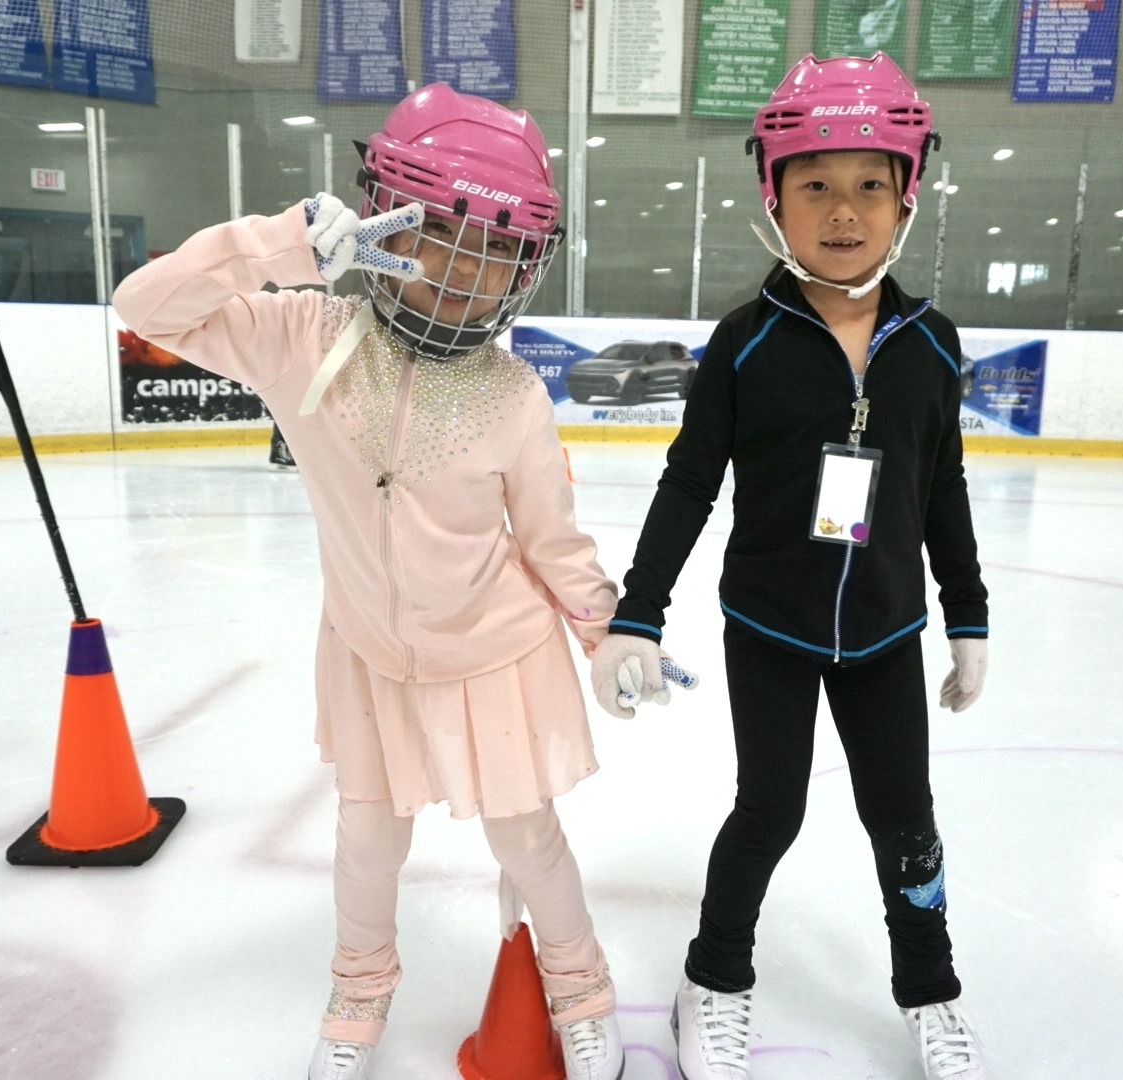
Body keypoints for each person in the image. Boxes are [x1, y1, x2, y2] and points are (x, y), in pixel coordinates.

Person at [113, 83, 624, 1080]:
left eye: (493, 252)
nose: (459, 273)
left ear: (525, 267)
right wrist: (282, 246)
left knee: (529, 842)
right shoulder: (303, 337)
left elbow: (553, 542)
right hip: (371, 657)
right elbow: (145, 306)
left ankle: (583, 988)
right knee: (364, 845)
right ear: (382, 215)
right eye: (438, 232)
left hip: (498, 658)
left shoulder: (514, 398)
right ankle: (358, 995)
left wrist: (612, 637)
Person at [590, 54, 991, 1080]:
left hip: (889, 630)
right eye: (816, 183)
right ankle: (714, 980)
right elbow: (688, 485)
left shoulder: (932, 346)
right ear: (773, 195)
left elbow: (940, 490)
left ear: (907, 195)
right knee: (769, 810)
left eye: (870, 183)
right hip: (768, 625)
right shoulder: (742, 344)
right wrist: (637, 613)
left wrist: (968, 619)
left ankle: (930, 992)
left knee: (905, 821)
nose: (844, 209)